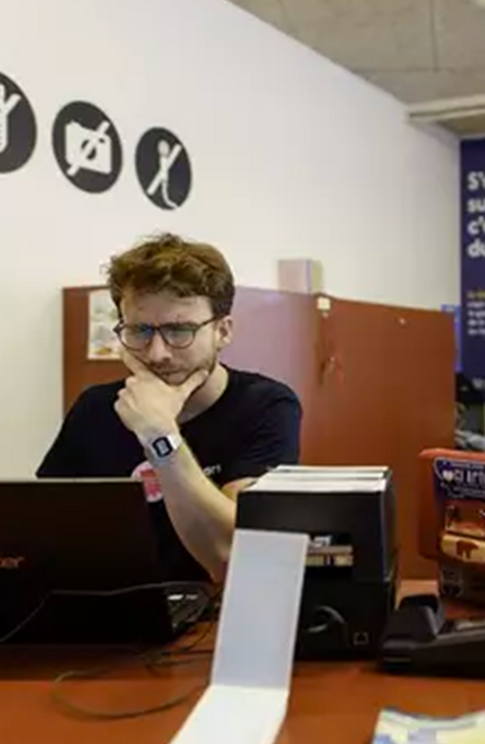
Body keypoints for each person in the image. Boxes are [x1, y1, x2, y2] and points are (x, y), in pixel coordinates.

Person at [38, 233, 301, 582]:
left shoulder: (266, 406)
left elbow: (229, 557)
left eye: (179, 331)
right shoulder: (95, 407)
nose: (157, 353)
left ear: (223, 331)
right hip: (112, 611)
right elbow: (43, 534)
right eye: (139, 330)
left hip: (212, 616)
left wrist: (159, 434)